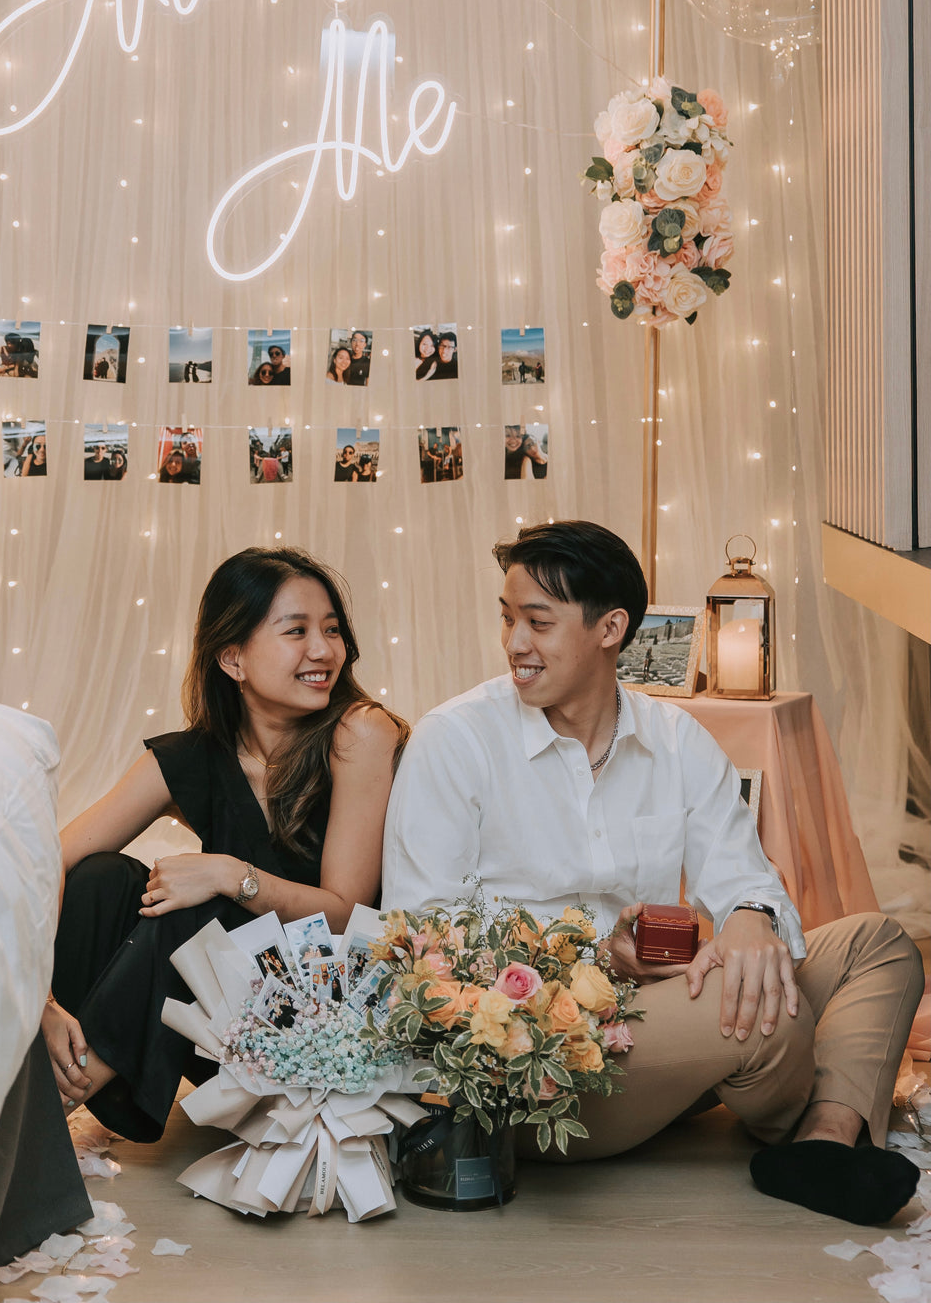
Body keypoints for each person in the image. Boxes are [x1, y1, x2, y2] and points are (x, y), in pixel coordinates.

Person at [382, 520, 924, 1227]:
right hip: (536, 1058)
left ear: (610, 629)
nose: (515, 643)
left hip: (655, 1023)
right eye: (508, 618)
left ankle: (820, 1144)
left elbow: (744, 876)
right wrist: (592, 951)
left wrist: (754, 920)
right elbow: (424, 937)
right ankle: (813, 1101)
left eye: (538, 622)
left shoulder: (674, 740)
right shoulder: (453, 741)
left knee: (876, 943)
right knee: (756, 1011)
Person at [42, 546, 407, 1141]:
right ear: (233, 658)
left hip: (325, 1013)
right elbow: (47, 862)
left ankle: (71, 1088)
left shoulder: (359, 732)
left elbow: (346, 915)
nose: (323, 650)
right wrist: (44, 1002)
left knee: (204, 899)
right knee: (100, 878)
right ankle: (75, 1062)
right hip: (217, 1028)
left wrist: (232, 876)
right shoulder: (191, 755)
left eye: (332, 630)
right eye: (297, 631)